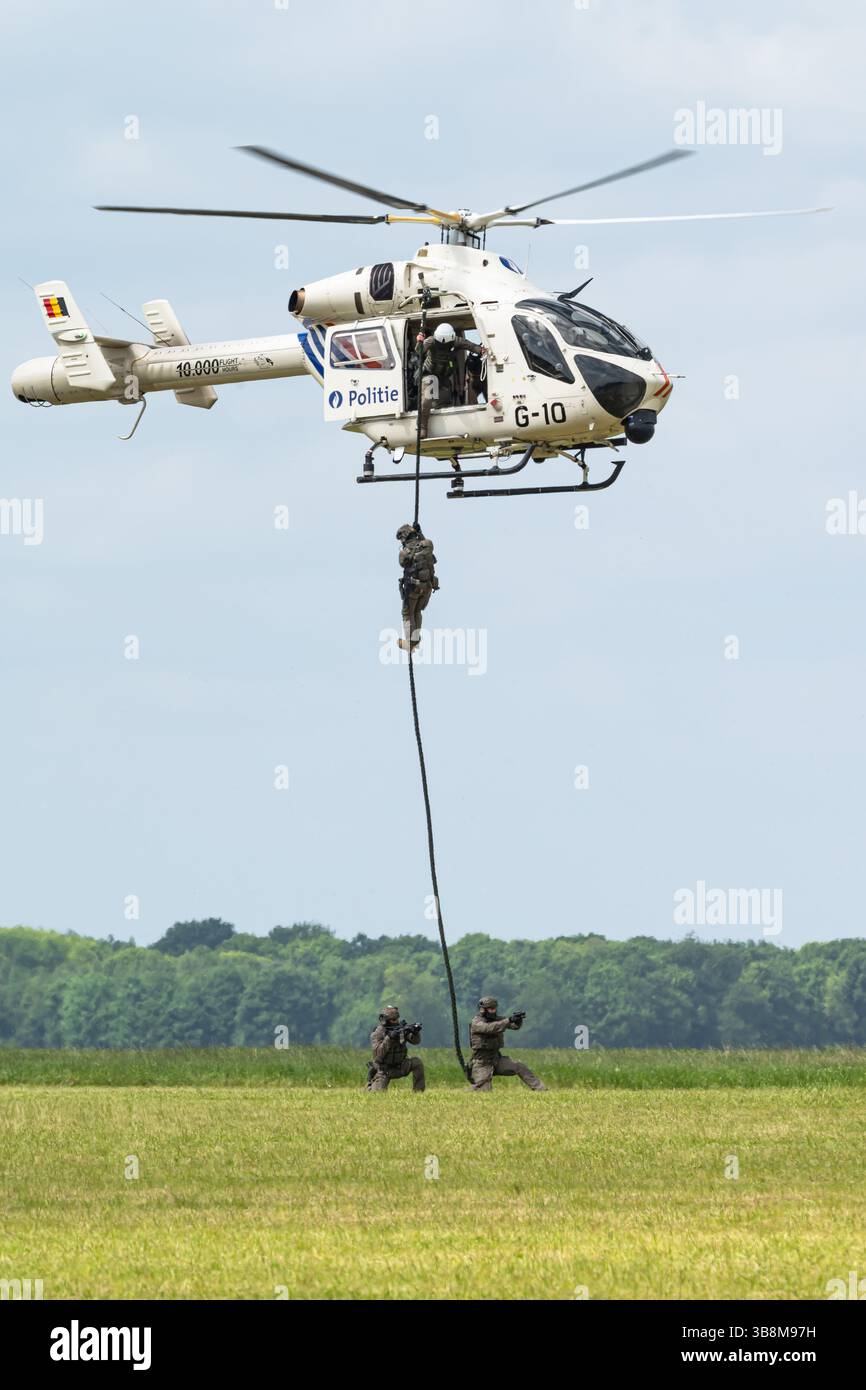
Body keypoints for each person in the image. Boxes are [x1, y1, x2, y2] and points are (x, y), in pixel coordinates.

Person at [416, 322, 486, 438]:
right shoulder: (431, 341)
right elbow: (419, 351)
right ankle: (422, 427)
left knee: (444, 403)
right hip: (430, 376)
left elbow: (470, 346)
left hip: (444, 377)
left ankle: (444, 428)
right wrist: (419, 340)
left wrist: (481, 350)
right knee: (426, 401)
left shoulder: (456, 341)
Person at [468, 996, 547, 1092]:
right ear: (483, 1010)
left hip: (497, 1059)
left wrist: (517, 1020)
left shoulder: (498, 1020)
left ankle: (541, 1090)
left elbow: (513, 1026)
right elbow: (489, 1028)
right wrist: (508, 1020)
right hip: (481, 1063)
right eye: (491, 1009)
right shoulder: (476, 1022)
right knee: (483, 1091)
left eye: (494, 1008)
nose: (494, 1011)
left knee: (519, 1066)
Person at [396, 522, 438, 651]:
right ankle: (415, 639)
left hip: (413, 588)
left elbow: (403, 564)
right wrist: (420, 533)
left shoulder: (404, 553)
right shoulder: (428, 545)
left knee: (408, 614)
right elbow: (431, 556)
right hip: (427, 587)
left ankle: (411, 642)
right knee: (417, 612)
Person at [366, 1005, 425, 1092]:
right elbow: (378, 1056)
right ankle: (369, 1086)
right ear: (385, 1021)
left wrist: (415, 1032)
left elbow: (415, 1041)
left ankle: (418, 1092)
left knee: (417, 1063)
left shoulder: (400, 1029)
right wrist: (389, 1038)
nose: (396, 1022)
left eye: (397, 1019)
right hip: (385, 1070)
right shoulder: (378, 1033)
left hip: (401, 1066)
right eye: (393, 1020)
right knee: (377, 1094)